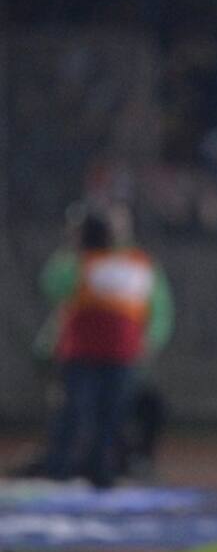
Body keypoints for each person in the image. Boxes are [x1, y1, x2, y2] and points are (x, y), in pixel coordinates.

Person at [36, 204, 173, 488]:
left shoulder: (138, 262)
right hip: (80, 354)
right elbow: (52, 286)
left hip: (119, 355)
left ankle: (100, 472)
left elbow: (159, 307)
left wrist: (150, 340)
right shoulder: (82, 260)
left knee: (111, 415)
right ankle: (59, 471)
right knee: (74, 412)